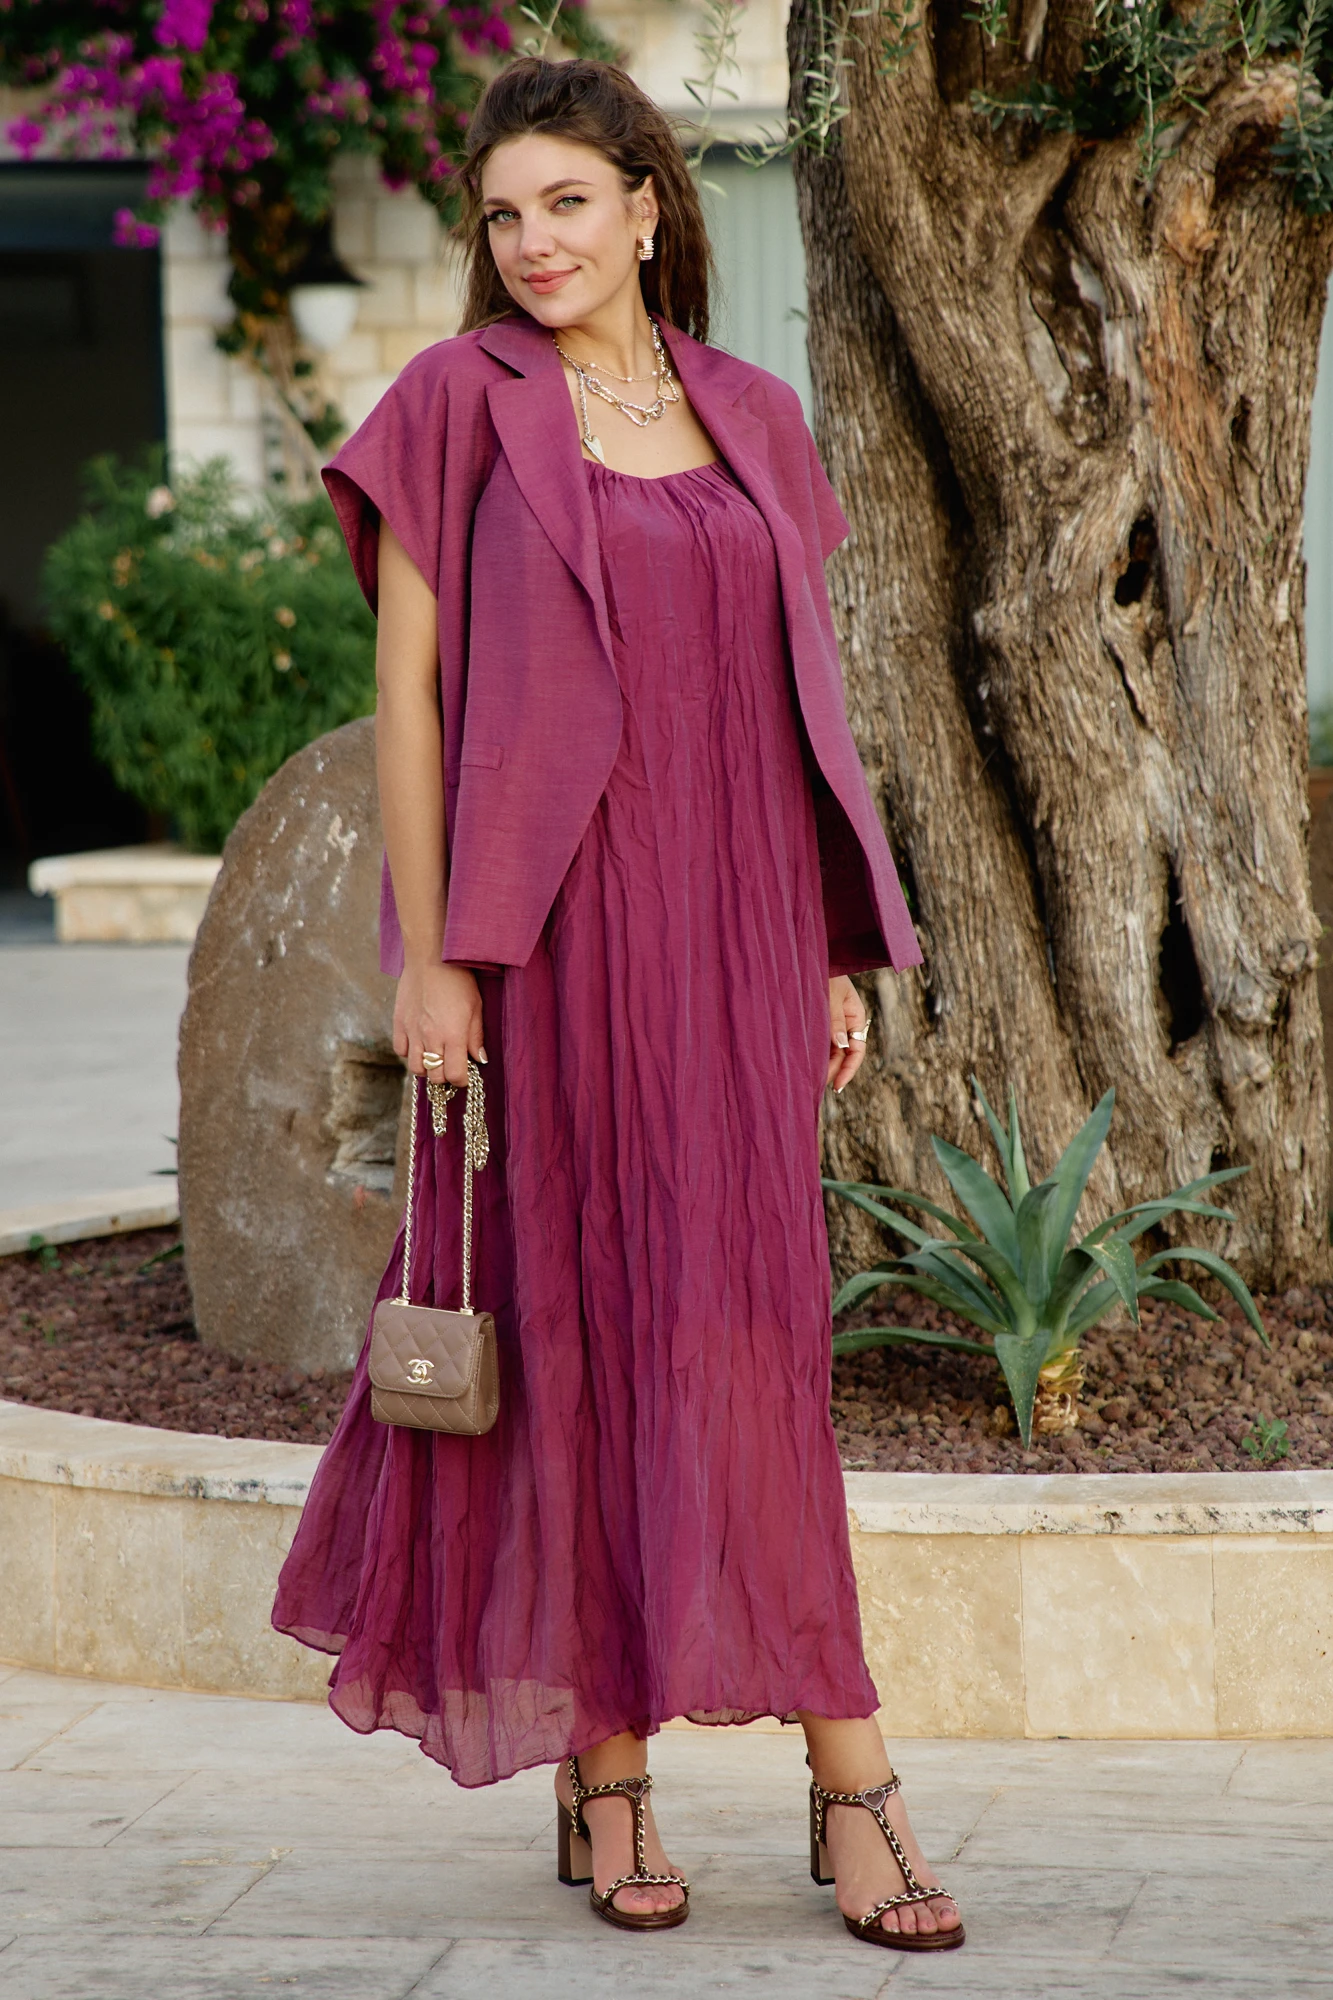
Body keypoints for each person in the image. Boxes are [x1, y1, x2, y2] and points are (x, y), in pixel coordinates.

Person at [273, 55, 964, 1955]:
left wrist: (830, 940)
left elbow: (796, 702)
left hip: (736, 937)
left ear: (651, 205)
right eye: (504, 214)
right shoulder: (457, 402)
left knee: (752, 1345)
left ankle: (849, 1774)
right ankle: (608, 1761)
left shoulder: (755, 415)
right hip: (550, 943)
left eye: (567, 201)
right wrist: (432, 953)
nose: (534, 241)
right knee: (574, 1326)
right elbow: (411, 698)